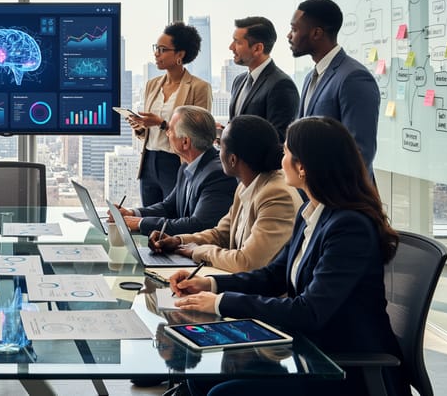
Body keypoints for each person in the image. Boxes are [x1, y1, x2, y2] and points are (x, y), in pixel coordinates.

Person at [169, 117, 405, 396]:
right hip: (308, 351)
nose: (280, 160)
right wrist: (210, 285)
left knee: (222, 392)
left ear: (303, 167)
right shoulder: (312, 215)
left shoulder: (349, 228)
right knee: (201, 376)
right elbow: (274, 275)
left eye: (286, 153)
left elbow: (309, 311)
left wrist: (221, 303)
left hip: (342, 367)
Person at [149, 115, 302, 273]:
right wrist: (178, 240)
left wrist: (196, 251)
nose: (217, 152)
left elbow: (246, 262)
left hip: (262, 293)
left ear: (233, 159)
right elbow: (221, 234)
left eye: (220, 146)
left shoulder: (276, 195)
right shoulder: (245, 185)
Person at [289, 0, 380, 174]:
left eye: (294, 29)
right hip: (313, 195)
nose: (289, 36)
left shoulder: (354, 77)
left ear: (316, 33)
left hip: (341, 198)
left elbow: (359, 153)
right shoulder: (310, 77)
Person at [116, 105, 236, 238]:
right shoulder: (186, 167)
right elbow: (169, 207)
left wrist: (141, 223)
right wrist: (132, 213)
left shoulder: (218, 175)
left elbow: (198, 225)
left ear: (185, 142)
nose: (167, 133)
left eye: (170, 130)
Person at [129, 22, 212, 206]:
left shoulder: (199, 88)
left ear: (180, 54)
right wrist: (141, 126)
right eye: (156, 48)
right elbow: (149, 131)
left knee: (173, 217)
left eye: (162, 49)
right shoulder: (152, 84)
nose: (156, 53)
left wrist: (162, 124)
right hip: (149, 161)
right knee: (148, 219)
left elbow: (201, 134)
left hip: (176, 163)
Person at [227, 16, 299, 141]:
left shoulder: (281, 85)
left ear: (257, 48)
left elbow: (278, 139)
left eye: (237, 42)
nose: (231, 47)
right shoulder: (239, 80)